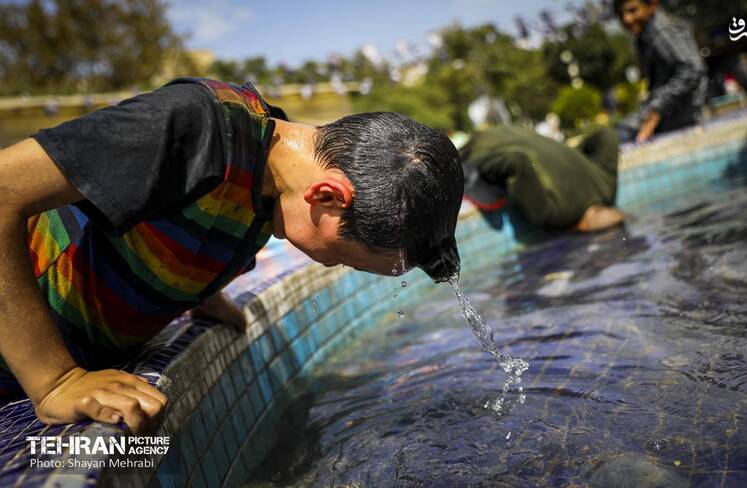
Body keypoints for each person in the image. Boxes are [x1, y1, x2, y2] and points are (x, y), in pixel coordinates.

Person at [0, 78, 463, 432]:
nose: (328, 264)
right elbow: (4, 190)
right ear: (328, 196)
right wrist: (56, 380)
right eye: (343, 257)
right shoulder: (195, 126)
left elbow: (183, 213)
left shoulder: (271, 180)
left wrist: (195, 291)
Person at [461, 125, 624, 232]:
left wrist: (567, 155)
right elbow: (517, 162)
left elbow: (607, 134)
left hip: (509, 130)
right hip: (483, 149)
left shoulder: (607, 188)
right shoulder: (557, 216)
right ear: (585, 228)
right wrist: (467, 167)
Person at [615, 0, 707, 143]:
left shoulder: (660, 31)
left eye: (633, 11)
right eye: (621, 15)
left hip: (678, 116)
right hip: (668, 114)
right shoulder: (645, 35)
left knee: (618, 138)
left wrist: (656, 112)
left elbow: (692, 69)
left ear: (652, 5)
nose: (627, 19)